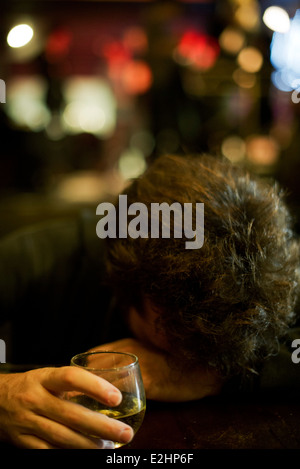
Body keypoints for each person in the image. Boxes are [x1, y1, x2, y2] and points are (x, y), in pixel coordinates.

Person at [0, 153, 299, 449]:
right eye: (176, 348)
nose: (185, 363)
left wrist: (212, 377)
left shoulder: (267, 277)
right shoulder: (40, 256)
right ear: (126, 283)